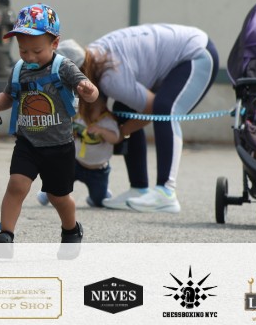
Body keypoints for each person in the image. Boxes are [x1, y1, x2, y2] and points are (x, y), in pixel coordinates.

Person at [0, 4, 99, 252]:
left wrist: (88, 91)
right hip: (27, 143)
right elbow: (8, 95)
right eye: (23, 50)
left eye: (37, 50)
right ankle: (6, 235)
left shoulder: (64, 67)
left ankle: (71, 229)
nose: (30, 56)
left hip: (59, 146)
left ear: (55, 43)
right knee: (16, 185)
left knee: (58, 197)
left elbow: (90, 92)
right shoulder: (19, 69)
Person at [81, 24, 219, 213]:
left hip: (197, 54)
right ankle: (139, 189)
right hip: (185, 52)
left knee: (165, 110)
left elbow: (151, 110)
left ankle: (166, 193)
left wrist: (121, 132)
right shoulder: (92, 57)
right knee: (123, 109)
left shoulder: (110, 79)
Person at [35, 39, 120, 208]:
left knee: (99, 200)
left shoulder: (107, 120)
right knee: (59, 179)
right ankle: (47, 192)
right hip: (76, 162)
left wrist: (102, 131)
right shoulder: (79, 114)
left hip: (98, 169)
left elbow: (116, 138)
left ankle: (100, 195)